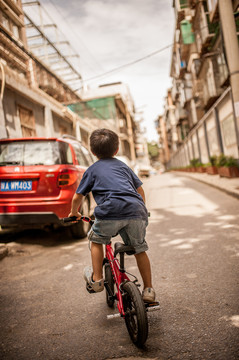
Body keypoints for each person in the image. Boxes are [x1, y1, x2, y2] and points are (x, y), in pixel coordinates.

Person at [68, 128, 155, 303]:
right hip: (136, 211)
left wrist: (74, 212)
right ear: (116, 150)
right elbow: (139, 189)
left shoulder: (92, 170)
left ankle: (98, 279)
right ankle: (148, 290)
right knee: (140, 249)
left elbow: (79, 195)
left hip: (109, 213)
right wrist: (142, 210)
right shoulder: (124, 167)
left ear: (92, 152)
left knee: (97, 240)